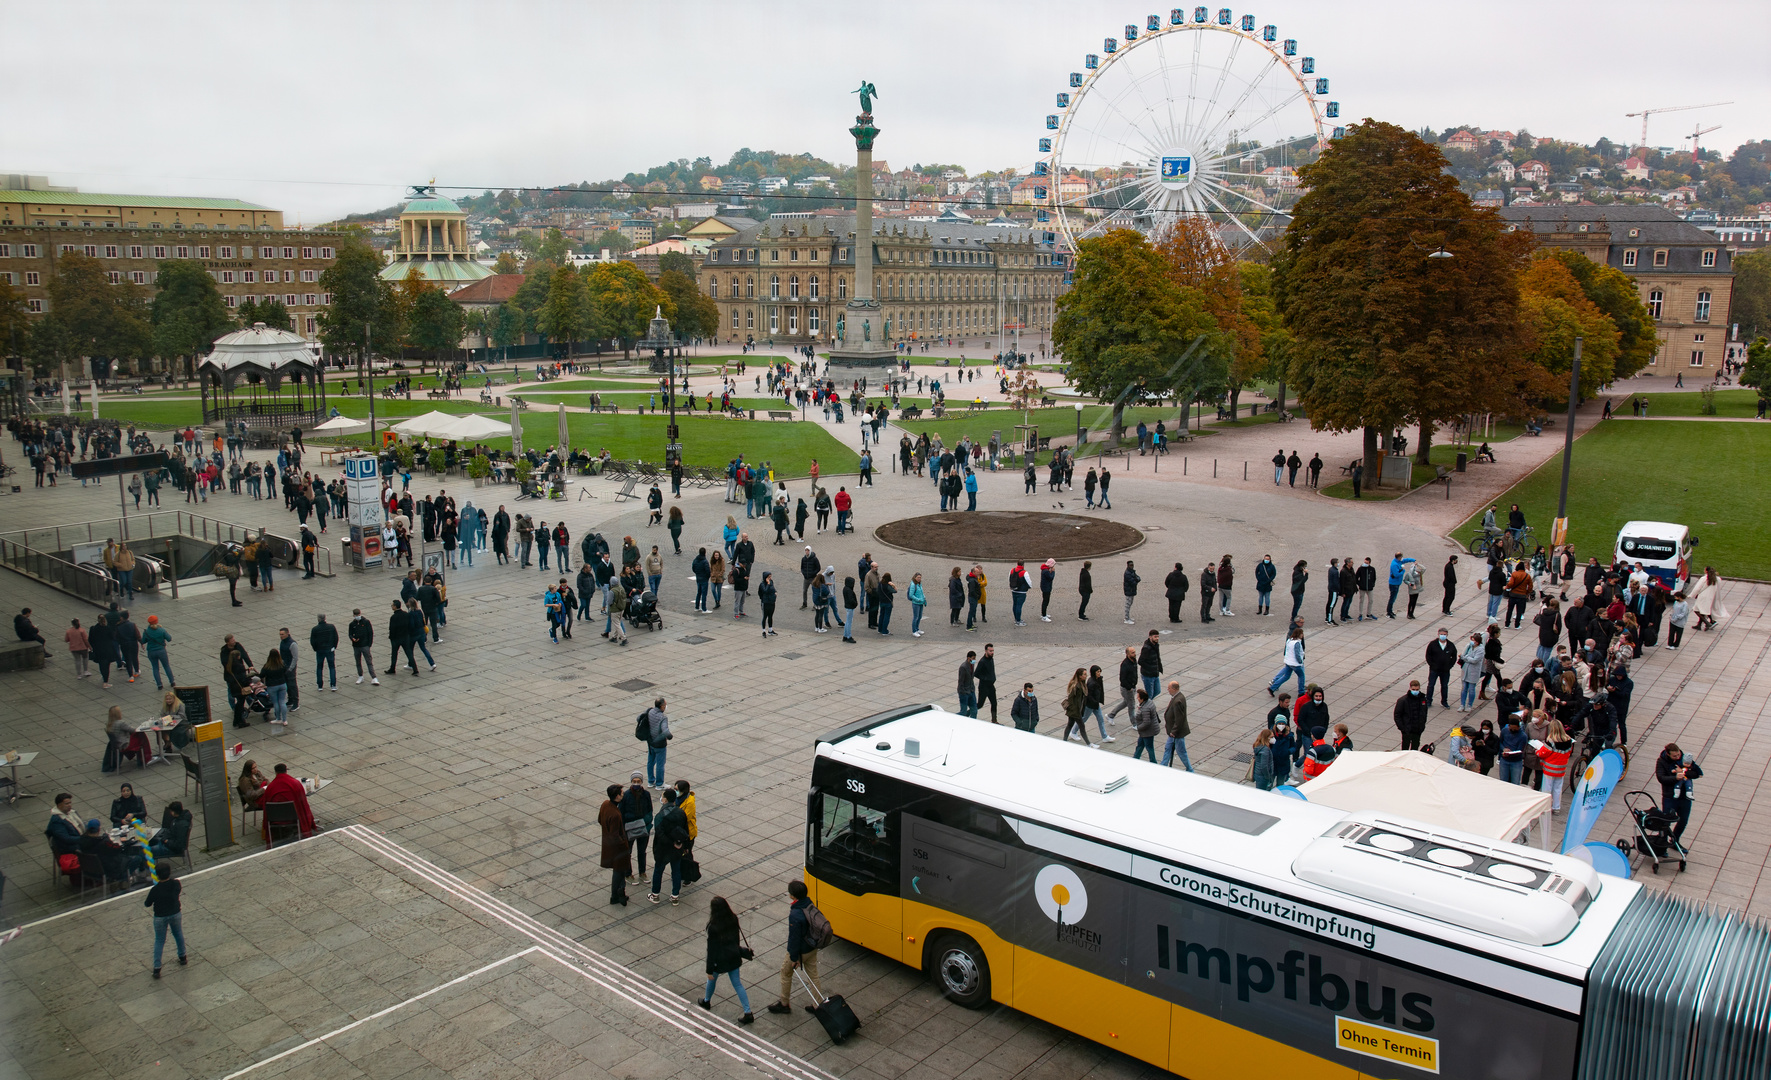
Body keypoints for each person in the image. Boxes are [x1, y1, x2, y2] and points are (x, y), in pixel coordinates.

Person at [766, 880, 824, 1015]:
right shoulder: (809, 905)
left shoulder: (795, 914)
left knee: (785, 973)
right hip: (812, 947)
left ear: (793, 896)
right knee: (813, 976)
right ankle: (818, 1005)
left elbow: (794, 938)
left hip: (801, 951)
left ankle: (784, 1004)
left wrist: (794, 957)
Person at [699, 896, 756, 1023]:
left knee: (712, 979)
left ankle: (707, 1001)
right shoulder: (733, 918)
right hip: (733, 956)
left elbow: (712, 950)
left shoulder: (713, 927)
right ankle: (748, 1012)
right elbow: (736, 939)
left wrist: (709, 969)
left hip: (719, 959)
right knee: (738, 984)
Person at [649, 787, 690, 904]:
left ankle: (655, 895)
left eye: (662, 796)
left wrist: (670, 842)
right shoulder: (681, 812)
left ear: (665, 799)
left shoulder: (660, 816)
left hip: (663, 849)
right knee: (676, 871)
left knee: (658, 871)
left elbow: (659, 834)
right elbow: (685, 830)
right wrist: (681, 844)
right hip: (677, 847)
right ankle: (675, 896)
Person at [144, 867, 187, 978]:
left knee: (159, 940)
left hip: (160, 917)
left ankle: (157, 968)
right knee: (178, 934)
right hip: (175, 913)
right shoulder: (176, 884)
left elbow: (147, 903)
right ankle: (183, 957)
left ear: (157, 875)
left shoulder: (155, 890)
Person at [259, 763, 317, 845]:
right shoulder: (295, 783)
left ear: (276, 773)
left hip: (275, 819)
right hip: (293, 818)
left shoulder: (270, 787)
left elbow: (265, 805)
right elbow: (303, 804)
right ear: (286, 771)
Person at [1655, 743, 1702, 840]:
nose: (1677, 757)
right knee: (1666, 821)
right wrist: (1675, 778)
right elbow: (1661, 778)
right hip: (1670, 796)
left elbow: (1696, 773)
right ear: (1668, 754)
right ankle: (1662, 844)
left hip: (1684, 796)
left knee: (1683, 821)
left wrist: (1685, 773)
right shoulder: (1661, 761)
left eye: (1678, 755)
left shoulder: (1684, 758)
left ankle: (1675, 840)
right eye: (1674, 756)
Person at [598, 783, 632, 906]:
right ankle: (616, 895)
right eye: (622, 793)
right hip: (618, 849)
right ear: (617, 796)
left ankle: (619, 893)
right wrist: (624, 844)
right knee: (619, 872)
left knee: (619, 871)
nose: (623, 794)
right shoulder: (615, 814)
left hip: (609, 845)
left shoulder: (605, 804)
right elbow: (615, 835)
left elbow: (600, 820)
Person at [1534, 722, 1576, 813]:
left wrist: (1537, 751)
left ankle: (1546, 807)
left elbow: (1543, 753)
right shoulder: (1569, 740)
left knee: (1547, 788)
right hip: (1561, 769)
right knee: (1557, 788)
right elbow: (1569, 753)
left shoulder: (1551, 741)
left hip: (1549, 769)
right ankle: (1556, 807)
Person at [1161, 681, 1192, 770]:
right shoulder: (1178, 697)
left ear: (1174, 689)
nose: (1168, 690)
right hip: (1173, 732)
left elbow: (1179, 719)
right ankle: (1163, 765)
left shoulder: (1177, 701)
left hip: (1176, 733)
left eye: (1169, 688)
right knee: (1168, 748)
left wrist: (1174, 731)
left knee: (1181, 752)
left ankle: (1189, 769)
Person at [1267, 627, 1306, 697]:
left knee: (1286, 676)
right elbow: (1297, 654)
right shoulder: (1297, 643)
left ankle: (1272, 688)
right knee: (1301, 676)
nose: (1302, 635)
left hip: (1288, 662)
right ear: (1299, 634)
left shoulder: (1289, 640)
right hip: (1295, 663)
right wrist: (1300, 661)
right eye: (1302, 634)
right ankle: (1301, 692)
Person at [1060, 668, 1094, 746]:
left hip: (1076, 710)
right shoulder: (1077, 686)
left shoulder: (1082, 684)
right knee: (1081, 726)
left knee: (1070, 725)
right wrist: (1075, 710)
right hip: (1075, 710)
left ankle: (1064, 740)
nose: (1086, 676)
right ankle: (1088, 743)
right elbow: (1071, 698)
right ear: (1080, 676)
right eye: (1084, 674)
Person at [643, 697, 671, 789]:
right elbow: (665, 730)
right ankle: (659, 784)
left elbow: (639, 718)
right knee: (660, 763)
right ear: (662, 707)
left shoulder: (650, 711)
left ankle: (651, 781)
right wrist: (670, 736)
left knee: (650, 761)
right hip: (660, 744)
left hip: (651, 742)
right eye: (665, 705)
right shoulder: (662, 717)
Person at [1393, 680, 1428, 751]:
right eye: (1413, 689)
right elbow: (1397, 715)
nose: (1415, 691)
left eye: (1417, 689)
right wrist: (1402, 728)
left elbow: (1424, 713)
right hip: (1407, 730)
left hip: (1417, 729)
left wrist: (1422, 725)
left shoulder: (1422, 699)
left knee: (1415, 748)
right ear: (1410, 688)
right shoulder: (1403, 700)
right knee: (1405, 748)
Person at [142, 615, 174, 690]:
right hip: (161, 651)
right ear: (157, 621)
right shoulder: (161, 630)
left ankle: (159, 685)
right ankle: (172, 681)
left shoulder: (146, 631)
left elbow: (143, 641)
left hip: (151, 652)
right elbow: (169, 639)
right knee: (166, 666)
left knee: (155, 668)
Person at [309, 614, 338, 692]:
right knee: (331, 667)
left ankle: (320, 685)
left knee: (319, 667)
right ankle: (333, 685)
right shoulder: (331, 627)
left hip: (320, 650)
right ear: (325, 618)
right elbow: (336, 637)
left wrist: (315, 649)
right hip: (329, 649)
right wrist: (334, 647)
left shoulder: (315, 629)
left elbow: (312, 641)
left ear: (318, 619)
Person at [1130, 688, 1160, 762]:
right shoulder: (1148, 702)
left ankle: (1153, 763)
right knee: (1140, 745)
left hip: (1147, 732)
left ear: (1142, 698)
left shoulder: (1145, 708)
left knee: (1149, 748)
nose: (1137, 698)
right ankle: (1135, 759)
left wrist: (1138, 727)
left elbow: (1146, 722)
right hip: (1146, 732)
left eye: (1138, 697)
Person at [974, 643, 998, 723]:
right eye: (990, 651)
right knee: (980, 704)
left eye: (993, 651)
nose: (992, 652)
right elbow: (976, 673)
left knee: (994, 703)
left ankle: (994, 720)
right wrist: (986, 678)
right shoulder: (982, 662)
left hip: (991, 686)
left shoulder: (991, 659)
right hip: (984, 687)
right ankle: (968, 713)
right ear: (986, 651)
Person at [1138, 629, 1163, 701]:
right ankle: (1145, 706)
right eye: (1155, 637)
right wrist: (1150, 668)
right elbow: (1140, 661)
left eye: (1158, 637)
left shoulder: (1156, 645)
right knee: (1150, 695)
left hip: (1155, 673)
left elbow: (1157, 658)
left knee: (1157, 691)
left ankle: (1145, 704)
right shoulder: (1146, 648)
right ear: (1150, 637)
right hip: (1148, 675)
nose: (1157, 638)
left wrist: (1159, 667)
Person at [1122, 559, 1140, 624]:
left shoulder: (1132, 572)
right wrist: (1136, 580)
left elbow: (1137, 578)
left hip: (1131, 590)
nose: (1132, 566)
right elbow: (1133, 582)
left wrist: (1136, 579)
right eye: (1130, 565)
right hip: (1129, 590)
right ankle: (1126, 618)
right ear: (1128, 565)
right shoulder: (1127, 573)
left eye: (1132, 565)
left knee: (1130, 603)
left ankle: (1128, 617)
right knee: (1128, 604)